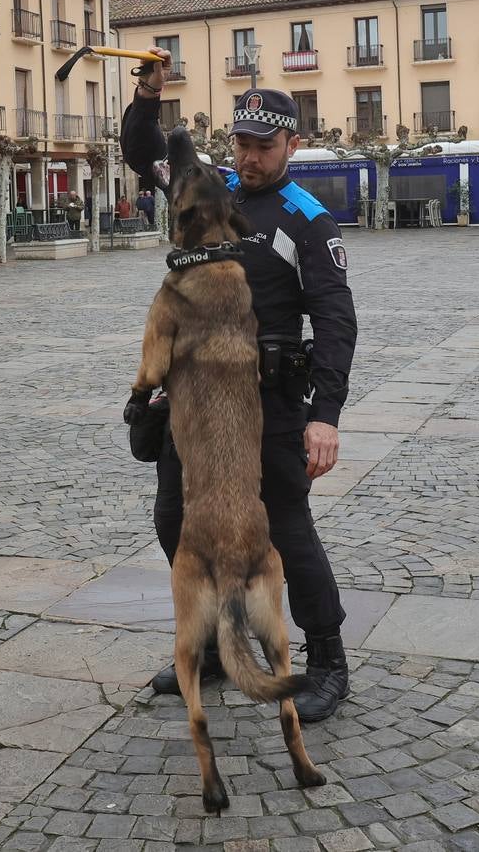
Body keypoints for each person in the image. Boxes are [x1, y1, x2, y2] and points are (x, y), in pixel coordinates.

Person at [121, 49, 358, 723]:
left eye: (262, 146)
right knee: (176, 521)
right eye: (241, 144)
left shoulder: (306, 218)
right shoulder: (209, 188)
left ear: (292, 144)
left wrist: (326, 415)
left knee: (285, 529)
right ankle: (220, 647)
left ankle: (330, 660)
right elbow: (143, 152)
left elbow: (337, 321)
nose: (248, 157)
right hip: (194, 406)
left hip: (272, 405)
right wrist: (147, 95)